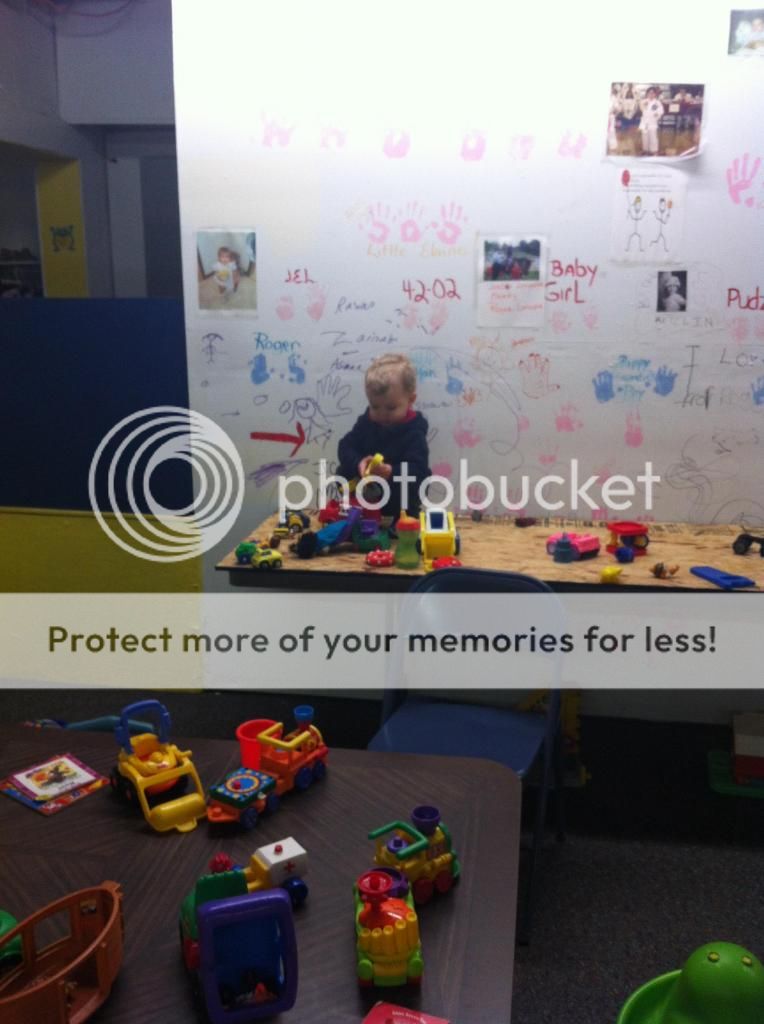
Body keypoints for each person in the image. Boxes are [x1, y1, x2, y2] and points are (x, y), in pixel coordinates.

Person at [336, 353, 430, 519]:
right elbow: (345, 446)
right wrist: (359, 463)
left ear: (411, 400)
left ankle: (398, 518)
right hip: (364, 496)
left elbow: (419, 469)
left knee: (420, 479)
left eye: (391, 408)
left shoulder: (414, 431)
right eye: (375, 406)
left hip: (399, 505)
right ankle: (354, 512)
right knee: (343, 470)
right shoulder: (367, 422)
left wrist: (391, 472)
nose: (382, 414)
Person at [639, 87, 664, 155]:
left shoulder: (657, 103)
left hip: (652, 121)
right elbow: (643, 109)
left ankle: (654, 150)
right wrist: (648, 107)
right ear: (647, 94)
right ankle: (645, 149)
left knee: (653, 137)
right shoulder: (643, 101)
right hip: (645, 122)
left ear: (655, 94)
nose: (651, 95)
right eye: (649, 93)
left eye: (653, 93)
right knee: (644, 136)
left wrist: (657, 114)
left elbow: (661, 111)